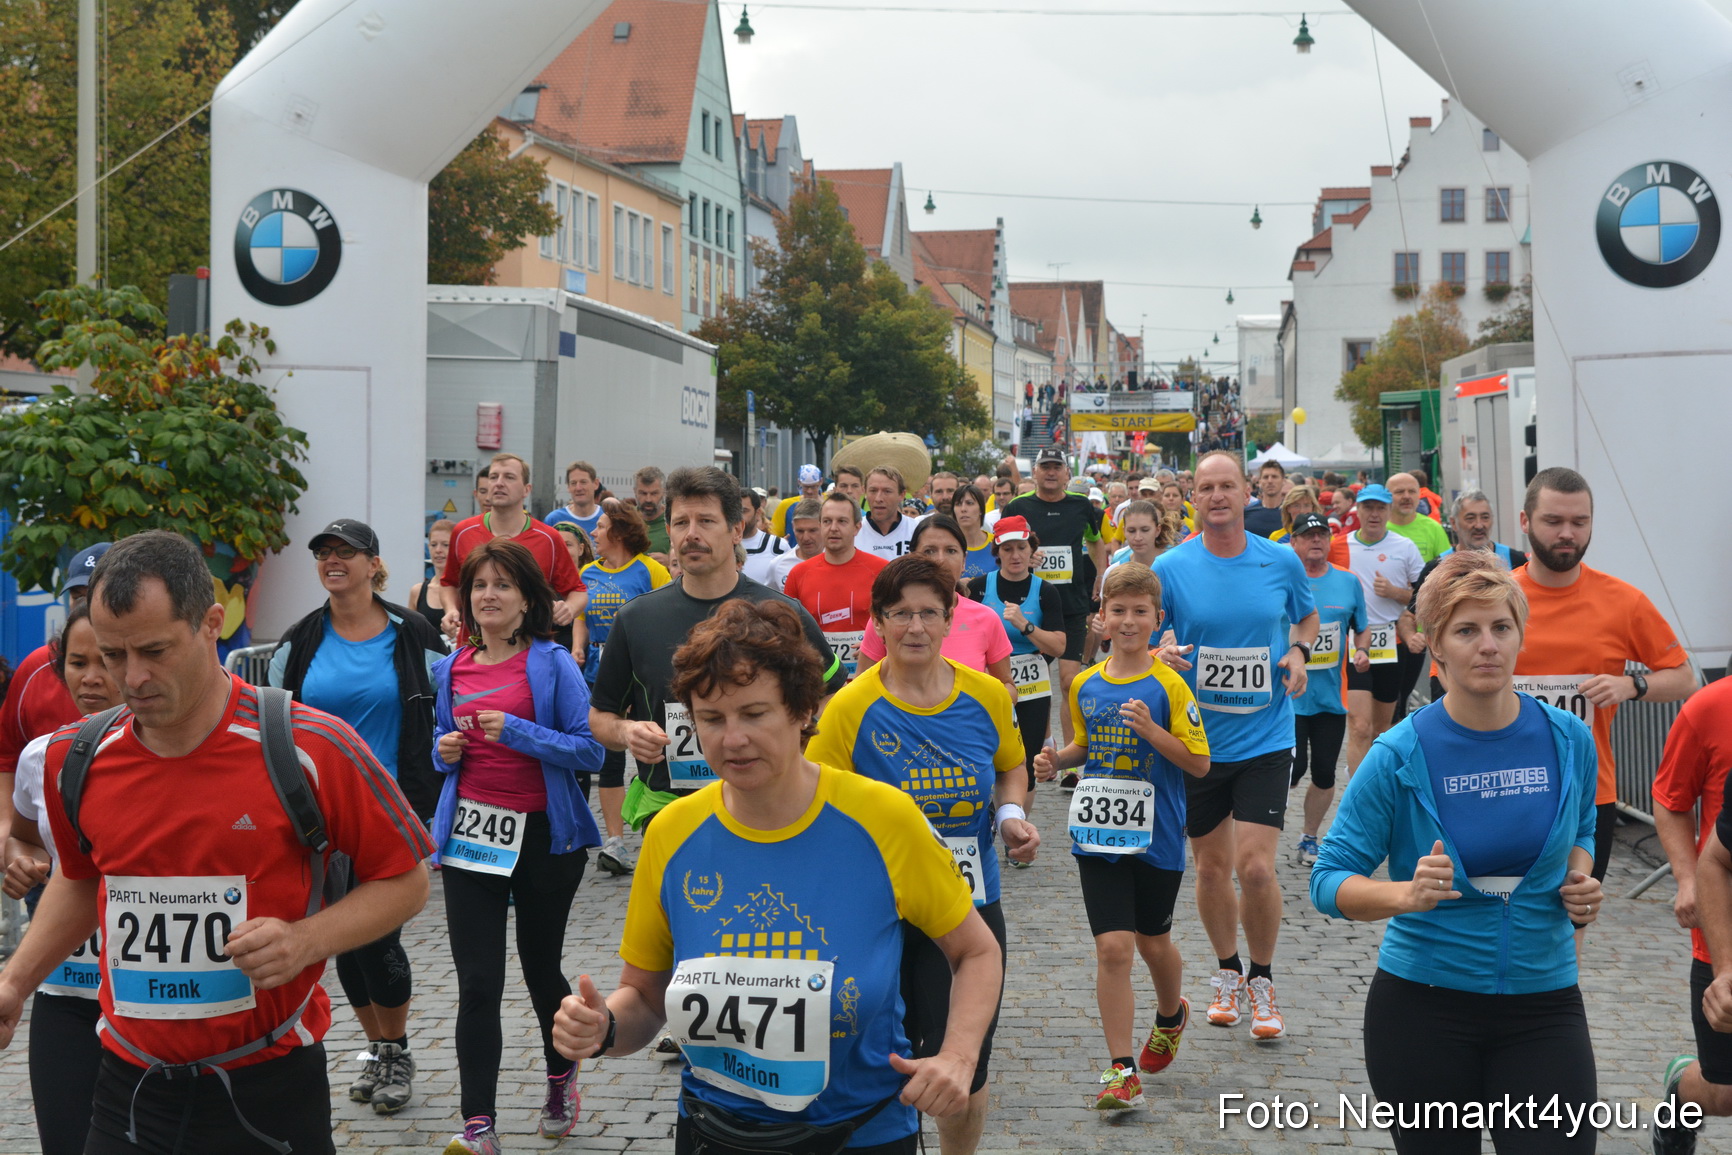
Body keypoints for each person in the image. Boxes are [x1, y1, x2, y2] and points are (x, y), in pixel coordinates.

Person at [0, 530, 432, 1155]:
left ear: (209, 625)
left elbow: (406, 879)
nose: (132, 677)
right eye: (113, 654)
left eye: (154, 650)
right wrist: (15, 981)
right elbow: (83, 876)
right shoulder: (77, 758)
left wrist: (306, 939)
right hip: (127, 1083)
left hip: (268, 1086)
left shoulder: (310, 746)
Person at [551, 599, 1003, 1155]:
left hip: (861, 1133)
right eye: (712, 720)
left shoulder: (884, 818)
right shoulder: (672, 832)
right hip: (716, 1132)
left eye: (754, 713)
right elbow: (644, 998)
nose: (731, 739)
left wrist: (958, 1055)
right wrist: (604, 1029)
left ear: (802, 711)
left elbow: (976, 952)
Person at [1310, 550, 1603, 1153]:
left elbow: (1582, 830)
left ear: (1522, 636)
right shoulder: (1399, 753)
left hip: (1544, 1005)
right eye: (1466, 631)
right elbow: (1328, 878)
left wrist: (1580, 879)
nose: (1487, 645)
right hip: (1423, 1012)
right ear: (1435, 646)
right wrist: (1406, 894)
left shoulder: (1568, 738)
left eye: (1501, 627)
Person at [808, 556, 1037, 1155]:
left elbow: (1011, 765)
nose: (915, 627)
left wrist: (1011, 815)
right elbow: (817, 804)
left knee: (965, 1062)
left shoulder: (986, 696)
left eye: (928, 613)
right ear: (878, 623)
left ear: (949, 618)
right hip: (875, 914)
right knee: (879, 1055)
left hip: (967, 905)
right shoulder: (850, 709)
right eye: (900, 614)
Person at [432, 538, 605, 1153]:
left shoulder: (552, 662)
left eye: (503, 585)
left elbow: (589, 749)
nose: (489, 595)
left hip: (542, 838)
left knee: (538, 971)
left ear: (528, 597)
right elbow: (439, 745)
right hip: (472, 837)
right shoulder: (451, 667)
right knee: (478, 980)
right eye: (480, 585)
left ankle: (560, 1077)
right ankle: (478, 1123)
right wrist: (443, 751)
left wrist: (521, 731)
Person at [267, 519, 446, 1114]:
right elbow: (273, 724)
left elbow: (452, 700)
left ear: (374, 564)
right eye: (324, 553)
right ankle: (378, 1046)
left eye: (347, 552)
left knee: (377, 935)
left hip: (393, 808)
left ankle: (395, 1050)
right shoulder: (300, 639)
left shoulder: (413, 632)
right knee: (346, 942)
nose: (333, 560)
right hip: (320, 817)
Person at [1152, 450, 1318, 1041]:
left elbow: (1306, 618)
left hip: (1267, 736)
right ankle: (1226, 970)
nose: (1217, 496)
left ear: (1248, 492)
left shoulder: (1280, 560)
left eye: (1228, 486)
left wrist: (1297, 654)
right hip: (1197, 743)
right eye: (1206, 487)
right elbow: (1146, 634)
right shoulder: (1171, 567)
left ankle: (1262, 981)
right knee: (1211, 867)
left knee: (1254, 867)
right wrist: (1159, 654)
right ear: (1191, 496)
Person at [1032, 563, 1211, 1110]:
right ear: (1101, 619)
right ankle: (1120, 1068)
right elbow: (1081, 745)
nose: (1128, 621)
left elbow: (1200, 764)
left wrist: (1154, 732)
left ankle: (1170, 1014)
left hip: (1156, 836)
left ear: (1157, 620)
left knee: (1153, 942)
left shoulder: (1169, 685)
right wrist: (1054, 759)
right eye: (1118, 611)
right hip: (1097, 832)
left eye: (1140, 612)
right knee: (1113, 948)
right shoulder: (1083, 682)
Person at [589, 466, 845, 842]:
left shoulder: (782, 612)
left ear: (736, 529)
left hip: (772, 808)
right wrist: (627, 730)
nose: (691, 534)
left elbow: (833, 696)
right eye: (680, 523)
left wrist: (790, 743)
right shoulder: (636, 618)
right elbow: (601, 716)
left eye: (706, 521)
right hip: (672, 812)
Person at [1513, 466, 1695, 882]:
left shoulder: (1622, 601)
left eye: (1579, 522)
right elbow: (1445, 678)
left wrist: (1632, 684)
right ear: (1525, 522)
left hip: (1587, 792)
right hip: (1505, 783)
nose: (1567, 534)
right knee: (1504, 916)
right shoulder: (1496, 597)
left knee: (1574, 915)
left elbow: (1684, 678)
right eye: (1553, 521)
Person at [4, 603, 123, 1155]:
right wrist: (21, 861)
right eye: (78, 662)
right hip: (68, 987)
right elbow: (26, 838)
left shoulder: (182, 754)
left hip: (158, 999)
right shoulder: (41, 757)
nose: (92, 676)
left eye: (108, 660)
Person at [1651, 672, 1732, 1155]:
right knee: (1724, 1092)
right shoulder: (1708, 707)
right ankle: (1684, 1089)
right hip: (1722, 930)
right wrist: (1687, 879)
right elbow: (1669, 800)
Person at [580, 498, 672, 876]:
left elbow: (668, 616)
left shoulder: (650, 571)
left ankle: (662, 819)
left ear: (618, 531)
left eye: (600, 527)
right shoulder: (587, 572)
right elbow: (580, 616)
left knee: (649, 746)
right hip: (597, 671)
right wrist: (576, 646)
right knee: (609, 752)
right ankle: (614, 842)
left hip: (641, 671)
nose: (594, 533)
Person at [0, 543, 108, 846]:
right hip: (50, 860)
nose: (89, 679)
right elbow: (8, 756)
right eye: (78, 597)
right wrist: (11, 831)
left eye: (100, 595)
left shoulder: (149, 675)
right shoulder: (35, 667)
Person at [1003, 447, 1107, 746]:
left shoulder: (1081, 506)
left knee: (1069, 683)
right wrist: (1025, 557)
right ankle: (1041, 743)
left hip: (1072, 605)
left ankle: (1073, 758)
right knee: (1027, 683)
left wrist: (1101, 574)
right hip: (1031, 606)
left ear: (1066, 473)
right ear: (1034, 472)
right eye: (1045, 466)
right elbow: (1004, 549)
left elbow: (1095, 542)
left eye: (1056, 467)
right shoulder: (1018, 506)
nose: (1050, 472)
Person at [438, 453, 588, 659]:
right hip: (474, 651)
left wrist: (568, 608)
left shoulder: (548, 538)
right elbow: (449, 583)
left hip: (531, 654)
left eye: (509, 477)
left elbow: (578, 590)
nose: (499, 483)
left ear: (527, 489)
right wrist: (450, 609)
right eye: (493, 477)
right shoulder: (463, 532)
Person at [1286, 513, 1369, 866]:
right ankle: (1260, 826)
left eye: (1322, 534)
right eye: (1308, 535)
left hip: (1331, 699)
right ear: (1294, 543)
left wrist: (1362, 650)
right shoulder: (1282, 580)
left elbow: (1362, 628)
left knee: (1323, 771)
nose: (1316, 540)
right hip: (1287, 697)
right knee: (1292, 769)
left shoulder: (1348, 582)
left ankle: (1308, 837)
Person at [967, 515, 1065, 812]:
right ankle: (993, 820)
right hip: (990, 682)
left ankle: (1018, 826)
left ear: (1031, 549)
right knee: (988, 755)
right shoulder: (979, 587)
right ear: (996, 553)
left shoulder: (1046, 591)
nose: (1015, 555)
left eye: (1021, 547)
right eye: (1007, 549)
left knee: (1028, 756)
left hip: (1033, 685)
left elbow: (1059, 646)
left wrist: (1026, 626)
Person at [857, 516, 1013, 688]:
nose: (940, 560)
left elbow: (1006, 686)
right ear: (912, 556)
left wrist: (978, 708)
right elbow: (861, 688)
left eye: (951, 551)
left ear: (964, 561)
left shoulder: (987, 618)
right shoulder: (889, 615)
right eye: (929, 551)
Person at [1344, 484, 1425, 781]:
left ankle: (1380, 785)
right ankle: (1356, 791)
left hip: (1394, 643)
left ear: (1389, 511)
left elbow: (1423, 596)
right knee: (1360, 726)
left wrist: (1394, 592)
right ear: (1358, 511)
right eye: (1368, 507)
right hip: (1356, 645)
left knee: (1384, 728)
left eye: (1380, 508)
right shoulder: (1342, 546)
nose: (1374, 514)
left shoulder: (1404, 548)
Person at [783, 491, 888, 679]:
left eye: (842, 521)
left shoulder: (882, 571)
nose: (833, 528)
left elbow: (896, 623)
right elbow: (788, 633)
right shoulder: (798, 574)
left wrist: (878, 642)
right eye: (827, 521)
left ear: (857, 527)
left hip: (869, 680)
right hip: (818, 682)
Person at [1437, 489, 1527, 569]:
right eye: (1470, 518)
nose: (1479, 526)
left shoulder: (1516, 562)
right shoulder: (1438, 567)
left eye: (1485, 517)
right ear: (1454, 523)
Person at [858, 466, 920, 560]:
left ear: (901, 495)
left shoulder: (917, 530)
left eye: (887, 491)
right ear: (865, 492)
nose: (878, 499)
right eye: (873, 491)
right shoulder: (852, 532)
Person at [409, 519, 457, 639]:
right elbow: (409, 634)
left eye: (446, 545)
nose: (438, 550)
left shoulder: (469, 590)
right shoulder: (418, 591)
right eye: (433, 545)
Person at [769, 497, 823, 592]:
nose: (806, 537)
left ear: (824, 526)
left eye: (812, 530)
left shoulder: (838, 561)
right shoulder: (778, 565)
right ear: (793, 527)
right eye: (800, 531)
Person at [738, 488, 789, 587]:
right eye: (735, 511)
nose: (739, 517)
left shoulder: (778, 546)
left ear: (757, 513)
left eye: (744, 511)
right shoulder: (720, 545)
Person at [544, 460, 603, 537]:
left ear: (596, 484)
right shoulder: (554, 520)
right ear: (568, 487)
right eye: (573, 483)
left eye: (583, 482)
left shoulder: (607, 518)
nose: (578, 488)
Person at [770, 463, 825, 542]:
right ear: (799, 482)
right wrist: (779, 543)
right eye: (805, 487)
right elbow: (773, 536)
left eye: (813, 486)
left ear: (821, 482)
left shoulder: (829, 505)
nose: (809, 491)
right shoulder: (786, 505)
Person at [951, 484, 994, 584]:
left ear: (981, 509)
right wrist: (957, 585)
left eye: (969, 503)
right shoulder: (946, 546)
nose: (963, 509)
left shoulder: (997, 543)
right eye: (958, 504)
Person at [633, 465, 671, 562]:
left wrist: (671, 561)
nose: (648, 499)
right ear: (635, 492)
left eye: (654, 493)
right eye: (643, 493)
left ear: (664, 492)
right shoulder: (625, 519)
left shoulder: (673, 519)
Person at [1244, 462, 1286, 538]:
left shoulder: (1290, 512)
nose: (1270, 481)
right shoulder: (1246, 512)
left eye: (1274, 477)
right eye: (1266, 477)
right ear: (1260, 482)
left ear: (1283, 481)